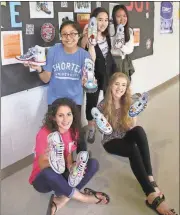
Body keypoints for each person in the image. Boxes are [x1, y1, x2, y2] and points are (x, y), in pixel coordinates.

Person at [96, 72, 177, 215]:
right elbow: (103, 130)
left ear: (126, 88)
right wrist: (103, 123)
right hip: (111, 140)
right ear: (110, 85)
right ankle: (150, 194)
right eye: (117, 84)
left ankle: (149, 177)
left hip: (124, 133)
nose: (120, 88)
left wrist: (133, 117)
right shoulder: (102, 105)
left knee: (139, 130)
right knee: (132, 150)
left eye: (123, 85)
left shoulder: (128, 101)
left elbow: (131, 126)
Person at [29, 98, 110, 215]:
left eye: (68, 114)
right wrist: (54, 161)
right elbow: (41, 164)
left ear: (73, 115)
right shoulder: (44, 133)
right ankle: (84, 197)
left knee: (93, 164)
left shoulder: (73, 131)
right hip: (43, 180)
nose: (66, 119)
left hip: (62, 177)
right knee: (49, 172)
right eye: (60, 115)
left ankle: (61, 200)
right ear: (53, 117)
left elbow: (68, 154)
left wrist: (72, 165)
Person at [81, 7, 117, 144]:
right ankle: (91, 128)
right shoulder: (87, 36)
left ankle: (107, 126)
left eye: (106, 20)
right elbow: (89, 57)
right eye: (100, 20)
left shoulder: (107, 36)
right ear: (93, 20)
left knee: (110, 101)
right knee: (91, 102)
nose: (103, 23)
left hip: (108, 74)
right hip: (93, 76)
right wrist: (87, 38)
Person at [110, 4, 135, 81]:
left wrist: (120, 45)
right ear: (114, 17)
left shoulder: (129, 30)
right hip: (113, 62)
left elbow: (130, 49)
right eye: (119, 16)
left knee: (125, 85)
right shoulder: (110, 29)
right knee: (113, 85)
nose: (122, 19)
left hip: (125, 61)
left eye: (124, 16)